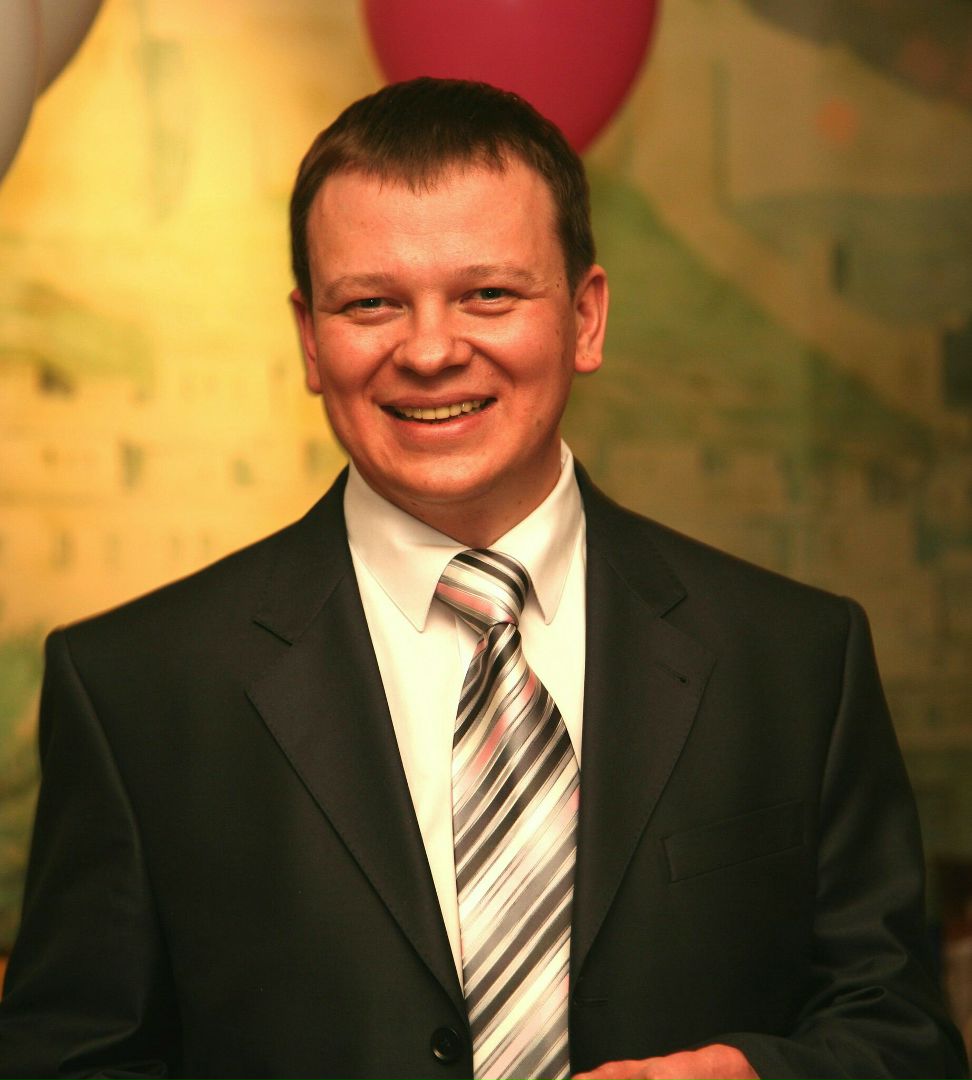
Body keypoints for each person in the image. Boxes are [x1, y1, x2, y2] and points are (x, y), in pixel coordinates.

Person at [0, 77, 966, 1080]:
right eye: (371, 303)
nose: (429, 350)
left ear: (585, 318)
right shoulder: (134, 688)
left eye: (489, 295)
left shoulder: (798, 659)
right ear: (310, 339)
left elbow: (904, 1038)